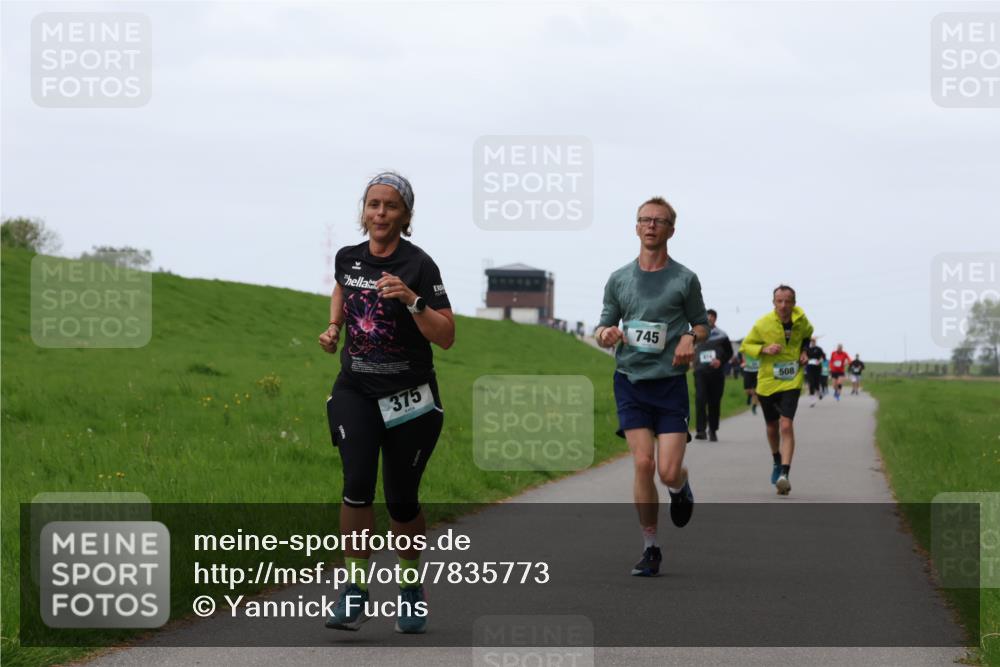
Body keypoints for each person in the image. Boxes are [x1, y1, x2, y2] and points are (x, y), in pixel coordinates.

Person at [319, 172, 455, 634]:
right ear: (364, 211)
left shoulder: (420, 265)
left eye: (390, 206)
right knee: (356, 485)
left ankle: (411, 588)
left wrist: (413, 300)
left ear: (405, 215)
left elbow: (447, 336)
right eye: (373, 204)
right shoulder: (348, 257)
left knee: (401, 501)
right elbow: (343, 286)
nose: (380, 213)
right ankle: (355, 590)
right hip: (355, 389)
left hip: (409, 399)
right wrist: (334, 326)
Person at [595, 196, 709, 576]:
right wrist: (606, 334)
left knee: (668, 472)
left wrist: (690, 337)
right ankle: (650, 547)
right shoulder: (619, 279)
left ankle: (680, 487)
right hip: (630, 381)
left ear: (671, 230)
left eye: (659, 221)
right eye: (645, 219)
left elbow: (701, 324)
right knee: (643, 463)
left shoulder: (684, 279)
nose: (651, 225)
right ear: (636, 227)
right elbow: (603, 325)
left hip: (670, 385)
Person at [739, 285, 813, 496]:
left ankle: (784, 475)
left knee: (786, 425)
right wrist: (764, 349)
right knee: (772, 426)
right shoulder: (763, 323)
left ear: (794, 303)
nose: (783, 305)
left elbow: (807, 334)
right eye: (779, 301)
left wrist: (804, 351)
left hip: (792, 380)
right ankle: (776, 459)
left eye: (787, 301)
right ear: (773, 303)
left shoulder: (801, 320)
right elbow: (746, 346)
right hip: (768, 381)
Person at [693, 309, 734, 441]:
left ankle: (713, 430)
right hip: (700, 372)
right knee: (700, 399)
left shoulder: (722, 335)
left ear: (715, 319)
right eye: (707, 317)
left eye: (712, 317)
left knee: (714, 402)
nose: (709, 319)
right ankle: (700, 431)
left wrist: (720, 361)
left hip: (716, 373)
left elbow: (729, 353)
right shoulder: (695, 334)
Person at [804, 338, 826, 407]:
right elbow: (805, 357)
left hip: (817, 368)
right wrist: (806, 360)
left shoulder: (819, 349)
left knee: (816, 383)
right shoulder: (807, 349)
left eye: (813, 341)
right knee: (811, 383)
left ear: (815, 342)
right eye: (811, 341)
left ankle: (819, 393)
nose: (812, 342)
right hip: (809, 368)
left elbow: (823, 357)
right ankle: (812, 401)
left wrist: (819, 361)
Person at [741, 351, 760, 415]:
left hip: (757, 370)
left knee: (756, 391)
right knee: (747, 391)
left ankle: (754, 407)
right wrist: (744, 362)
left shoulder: (759, 346)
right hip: (748, 370)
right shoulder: (746, 347)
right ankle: (749, 396)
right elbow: (743, 353)